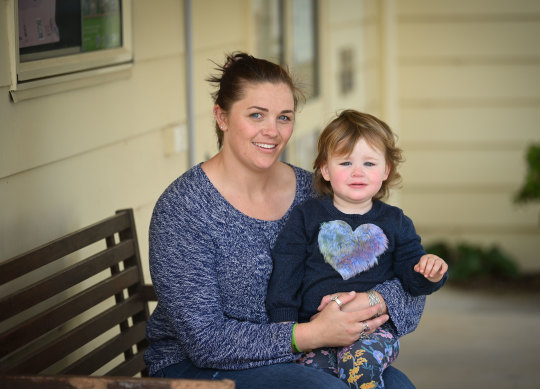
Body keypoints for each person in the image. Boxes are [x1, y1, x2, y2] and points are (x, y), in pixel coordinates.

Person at [145, 52, 426, 389]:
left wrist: (373, 300)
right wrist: (310, 334)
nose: (272, 131)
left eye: (284, 117)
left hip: (317, 352)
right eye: (256, 115)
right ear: (222, 117)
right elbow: (206, 342)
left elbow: (410, 278)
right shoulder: (185, 209)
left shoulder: (315, 192)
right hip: (197, 368)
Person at [266, 109, 448, 388]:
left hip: (372, 330)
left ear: (386, 170)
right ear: (325, 169)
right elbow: (285, 275)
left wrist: (430, 272)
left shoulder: (395, 221)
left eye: (369, 163)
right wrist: (285, 327)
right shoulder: (306, 216)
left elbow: (412, 277)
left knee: (359, 366)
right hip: (316, 329)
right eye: (346, 162)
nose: (358, 172)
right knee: (313, 376)